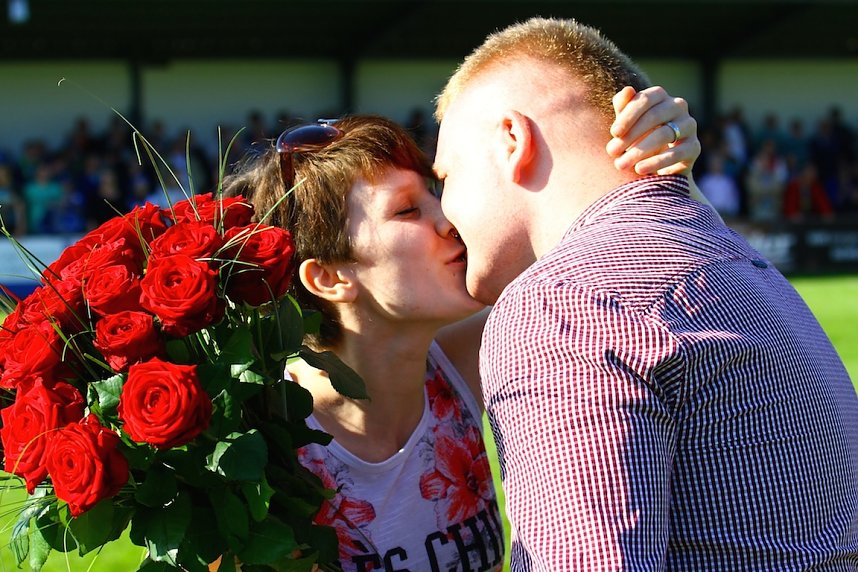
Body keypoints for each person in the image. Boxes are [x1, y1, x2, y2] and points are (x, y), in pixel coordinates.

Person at [433, 17, 858, 571]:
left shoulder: (564, 301)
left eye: (446, 177)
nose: (444, 216)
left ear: (513, 140)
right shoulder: (742, 265)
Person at [222, 90, 700, 571]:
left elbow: (661, 276)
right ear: (329, 278)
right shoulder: (261, 448)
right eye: (407, 211)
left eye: (433, 194)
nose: (449, 219)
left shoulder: (472, 357)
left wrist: (667, 173)